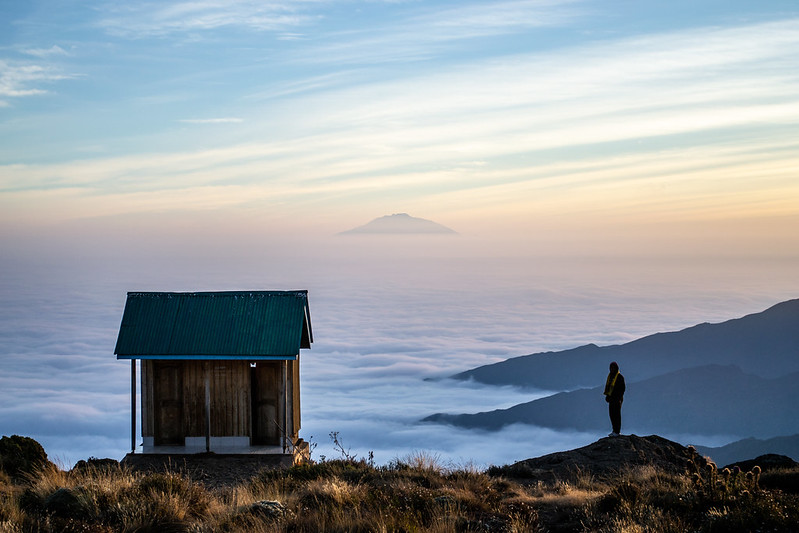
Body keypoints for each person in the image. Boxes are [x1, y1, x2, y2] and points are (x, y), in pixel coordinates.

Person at [603, 361, 625, 436]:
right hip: (611, 399)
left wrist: (618, 398)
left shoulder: (619, 377)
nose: (612, 369)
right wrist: (608, 396)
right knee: (612, 415)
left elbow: (622, 389)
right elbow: (609, 388)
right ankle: (614, 430)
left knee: (617, 415)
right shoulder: (610, 377)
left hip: (617, 399)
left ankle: (617, 431)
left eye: (613, 368)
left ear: (616, 368)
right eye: (611, 368)